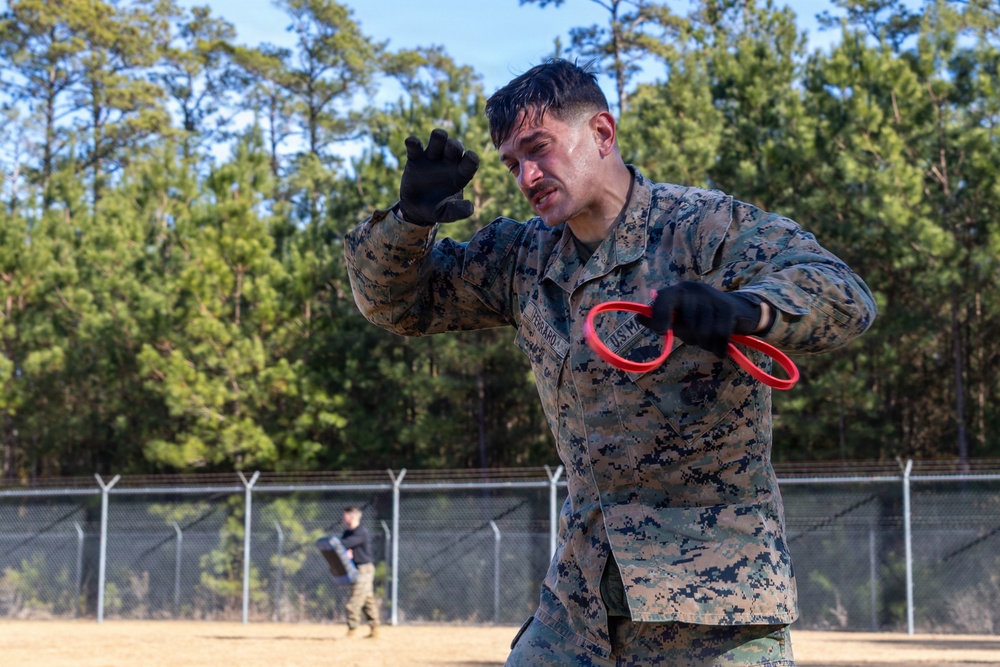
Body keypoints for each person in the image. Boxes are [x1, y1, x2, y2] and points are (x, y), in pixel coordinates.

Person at [344, 59, 876, 665]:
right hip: (580, 598)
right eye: (513, 163)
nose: (527, 175)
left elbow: (842, 292)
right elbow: (397, 305)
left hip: (711, 596)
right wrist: (409, 223)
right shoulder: (520, 257)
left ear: (602, 132)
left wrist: (743, 310)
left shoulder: (702, 228)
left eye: (538, 148)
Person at [340, 505, 379, 638]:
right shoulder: (347, 533)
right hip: (354, 569)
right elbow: (344, 547)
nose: (343, 518)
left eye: (345, 515)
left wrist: (347, 550)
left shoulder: (360, 532)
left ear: (352, 517)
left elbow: (343, 545)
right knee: (367, 600)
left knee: (354, 602)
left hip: (365, 569)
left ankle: (352, 630)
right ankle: (375, 630)